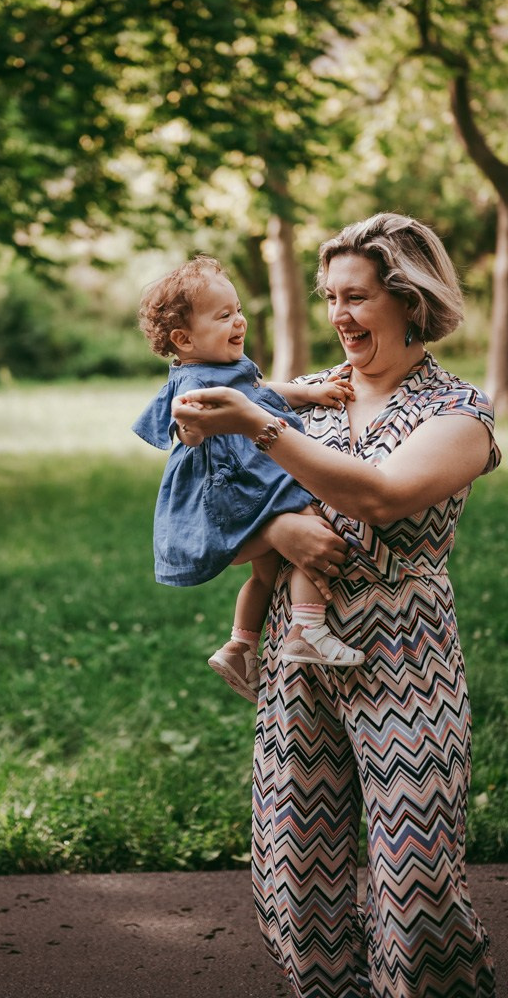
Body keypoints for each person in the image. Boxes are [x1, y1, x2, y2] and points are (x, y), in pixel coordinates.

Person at [173, 213, 499, 998]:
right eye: (329, 298)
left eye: (356, 297)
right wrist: (279, 525)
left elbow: (379, 497)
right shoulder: (308, 396)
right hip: (298, 648)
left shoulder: (458, 412)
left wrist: (258, 423)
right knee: (296, 871)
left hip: (404, 654)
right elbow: (198, 475)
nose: (339, 317)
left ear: (410, 300)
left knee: (416, 879)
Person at [133, 255, 363, 706]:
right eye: (224, 316)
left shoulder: (224, 367)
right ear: (184, 338)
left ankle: (240, 645)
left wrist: (311, 392)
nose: (239, 321)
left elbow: (261, 393)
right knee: (307, 517)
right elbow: (186, 419)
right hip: (237, 483)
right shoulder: (194, 380)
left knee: (265, 573)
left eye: (237, 309)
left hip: (245, 475)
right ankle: (308, 628)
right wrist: (192, 429)